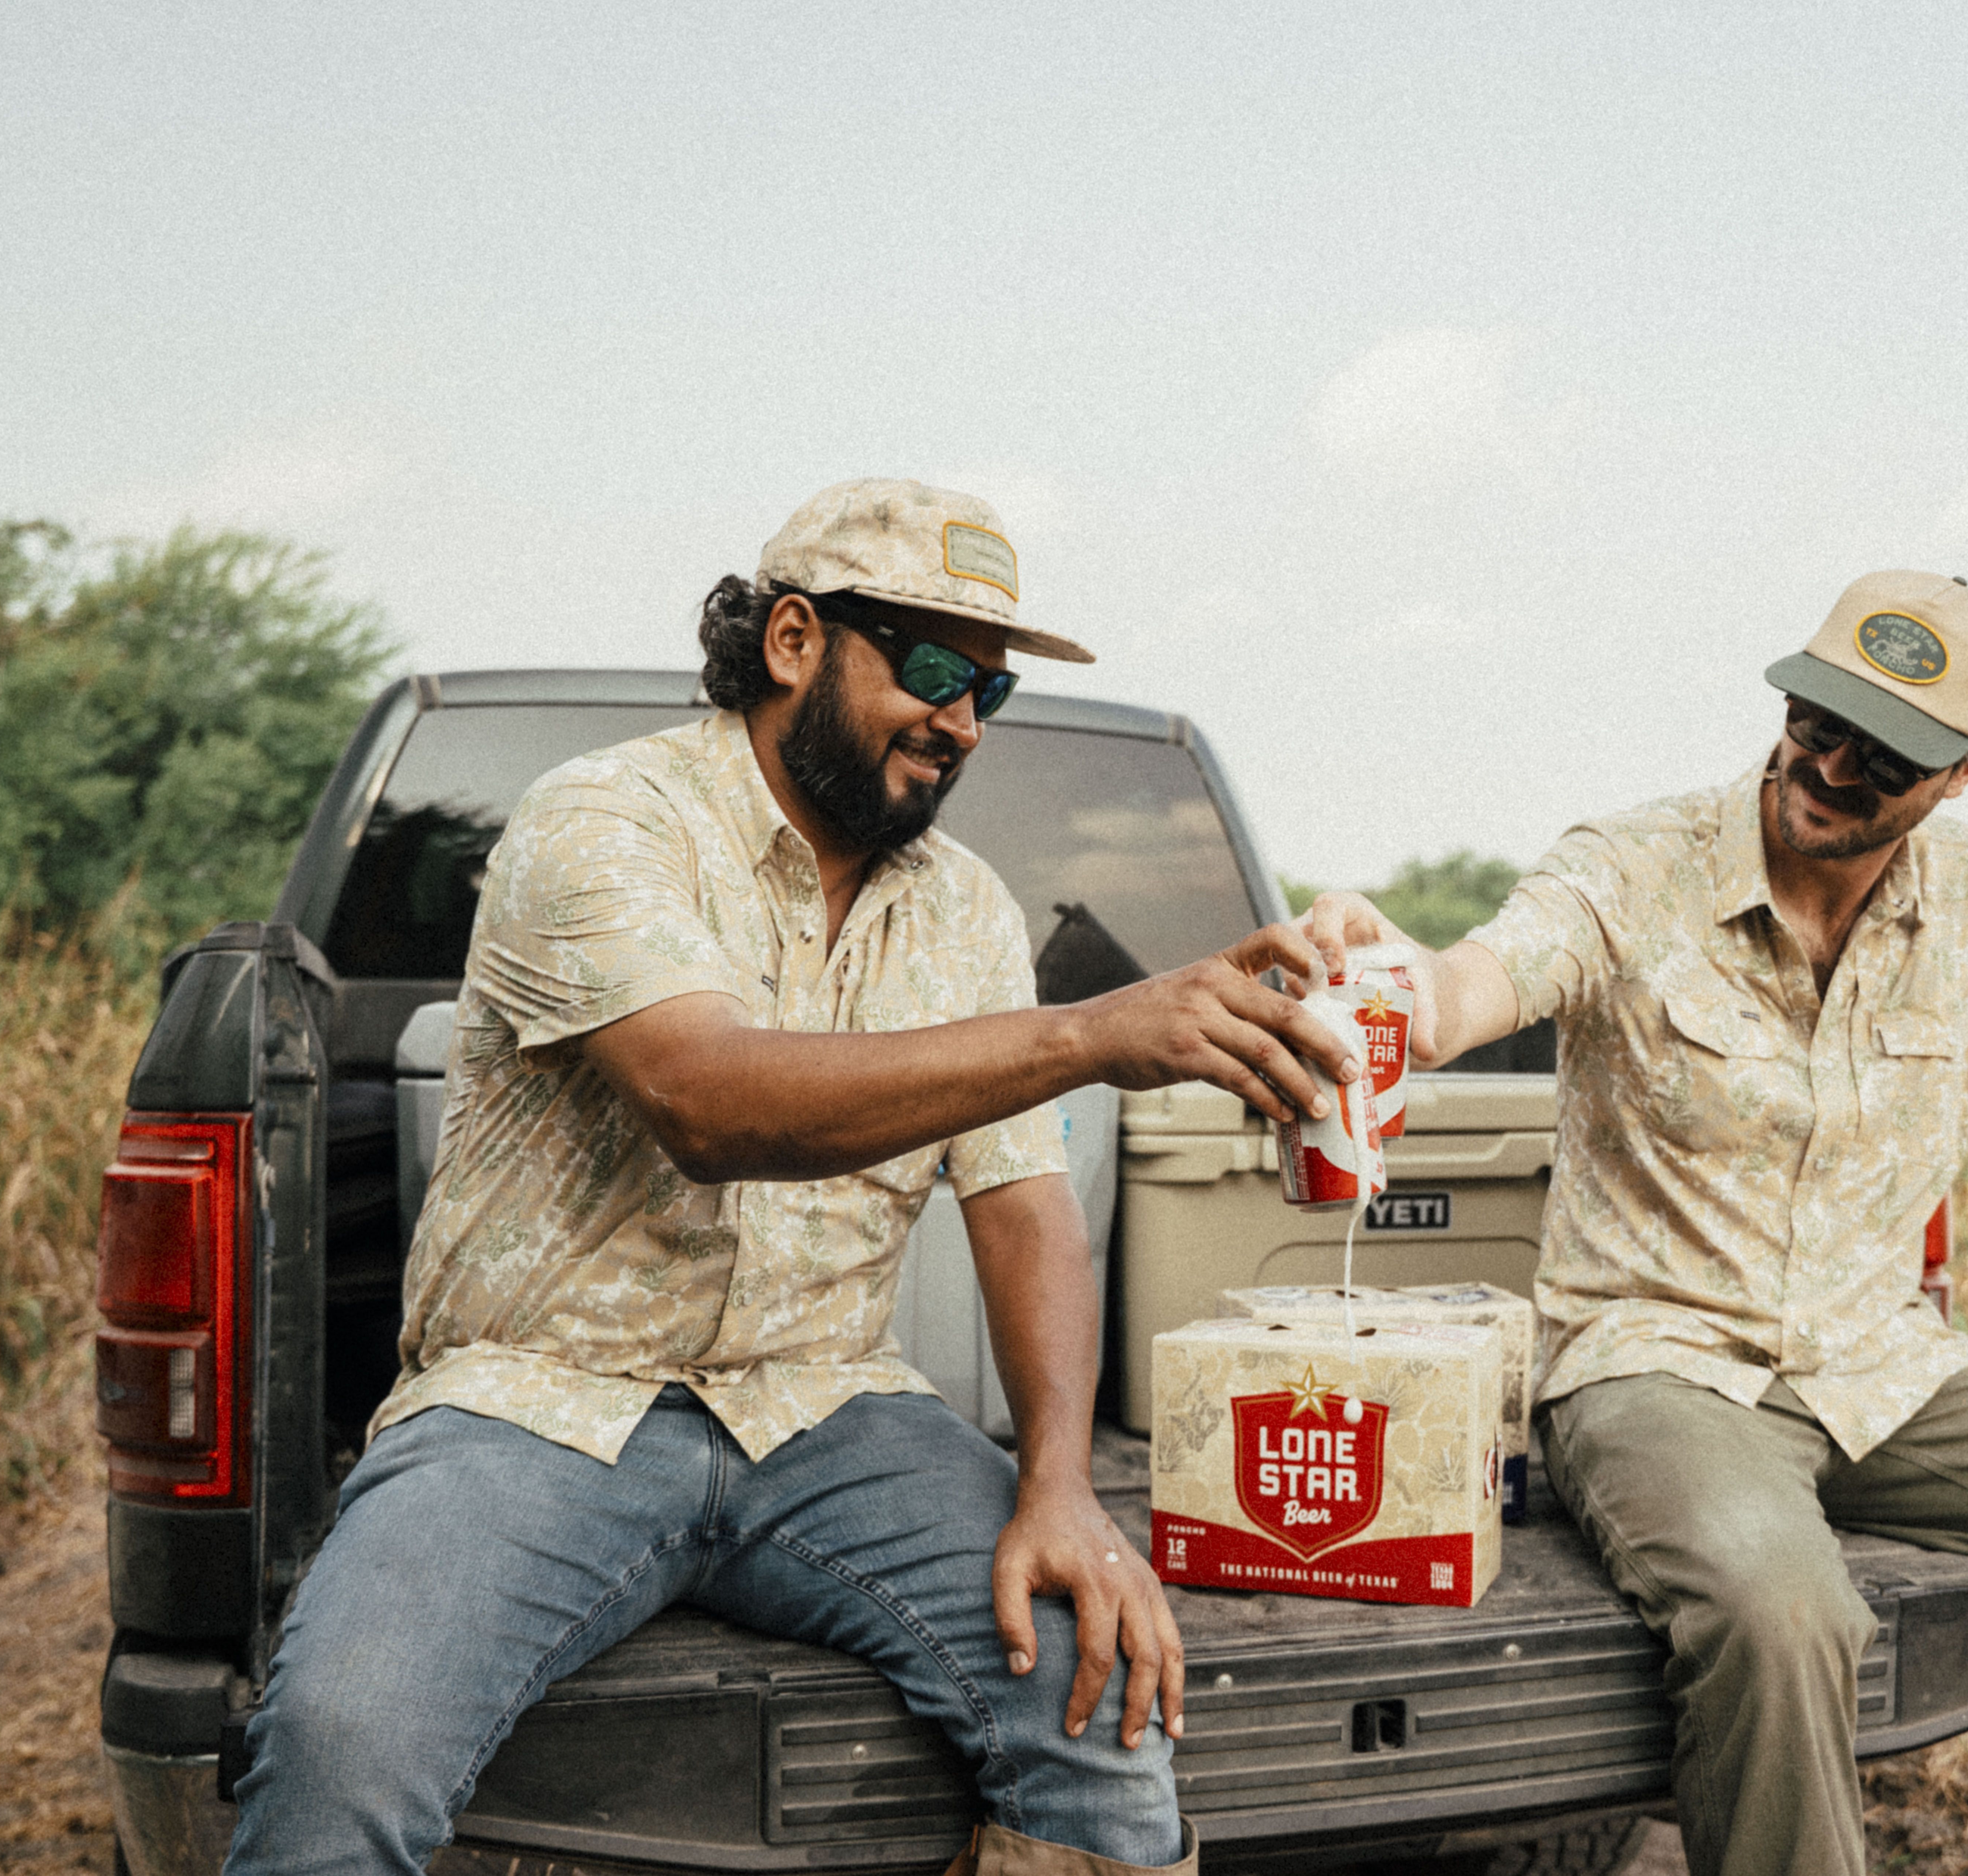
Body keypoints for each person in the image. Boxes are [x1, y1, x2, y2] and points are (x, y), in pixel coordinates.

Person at [228, 480, 1362, 1876]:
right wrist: (1084, 1035)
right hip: (541, 1404)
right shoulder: (606, 821)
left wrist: (1062, 1486)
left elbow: (1025, 1212)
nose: (960, 721)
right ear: (792, 643)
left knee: (1103, 1695)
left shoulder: (964, 911)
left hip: (828, 1412)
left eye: (988, 696)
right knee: (341, 1741)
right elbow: (710, 1102)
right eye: (933, 670)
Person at [1304, 570, 1968, 1876]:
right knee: (1780, 1610)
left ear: (1965, 772)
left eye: (1879, 755)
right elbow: (1465, 988)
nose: (1824, 765)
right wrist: (1388, 975)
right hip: (1661, 1365)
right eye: (1813, 719)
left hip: (1891, 1375)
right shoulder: (1632, 864)